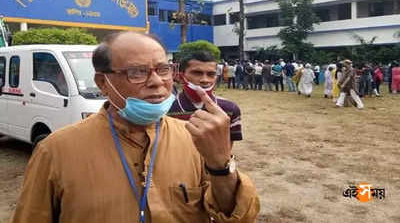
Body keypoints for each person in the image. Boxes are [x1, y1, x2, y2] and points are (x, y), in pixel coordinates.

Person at [11, 32, 260, 223]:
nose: (157, 82)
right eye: (137, 72)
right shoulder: (55, 151)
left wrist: (220, 165)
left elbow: (237, 215)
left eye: (163, 70)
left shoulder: (193, 139)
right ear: (103, 82)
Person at [168, 51, 243, 144]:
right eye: (197, 73)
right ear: (181, 77)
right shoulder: (166, 109)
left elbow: (227, 149)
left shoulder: (230, 109)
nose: (205, 80)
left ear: (216, 77)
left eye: (211, 74)